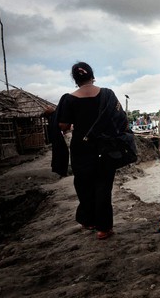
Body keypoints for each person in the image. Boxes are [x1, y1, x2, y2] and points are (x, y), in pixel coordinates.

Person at [57, 62, 125, 240]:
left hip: (81, 147)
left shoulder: (68, 99)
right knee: (103, 186)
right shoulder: (108, 94)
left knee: (84, 183)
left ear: (75, 78)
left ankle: (87, 221)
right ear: (92, 75)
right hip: (105, 147)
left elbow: (63, 125)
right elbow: (120, 118)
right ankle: (104, 229)